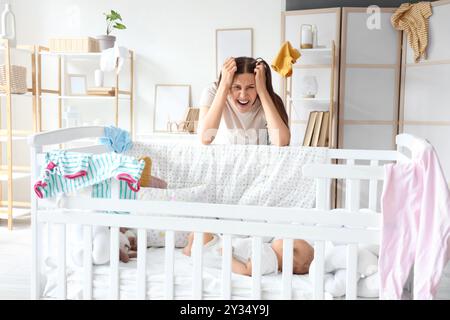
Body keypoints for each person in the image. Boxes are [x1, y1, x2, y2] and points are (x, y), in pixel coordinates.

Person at [198, 56, 290, 146]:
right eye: (237, 87)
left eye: (250, 87)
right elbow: (205, 138)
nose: (243, 95)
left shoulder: (267, 97)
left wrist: (262, 91)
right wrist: (224, 86)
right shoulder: (213, 92)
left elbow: (281, 141)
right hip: (222, 159)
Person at [230, 238, 314, 276]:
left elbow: (246, 270)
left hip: (223, 252)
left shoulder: (269, 259)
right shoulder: (270, 252)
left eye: (290, 240)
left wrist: (228, 257)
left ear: (288, 250)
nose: (283, 238)